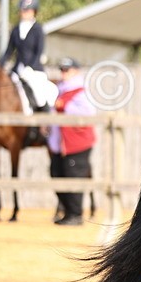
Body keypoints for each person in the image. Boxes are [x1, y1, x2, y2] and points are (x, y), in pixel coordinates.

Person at [47, 58, 96, 226]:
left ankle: (75, 214)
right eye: (62, 69)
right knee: (56, 174)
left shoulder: (81, 91)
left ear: (75, 71)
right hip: (60, 143)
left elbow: (88, 113)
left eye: (67, 70)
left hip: (76, 143)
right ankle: (68, 212)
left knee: (74, 176)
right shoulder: (60, 91)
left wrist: (64, 107)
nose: (63, 73)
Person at [1, 0, 56, 110]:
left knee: (39, 96)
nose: (24, 13)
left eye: (27, 10)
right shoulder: (15, 30)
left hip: (33, 70)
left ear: (34, 12)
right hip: (17, 69)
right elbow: (9, 51)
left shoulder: (38, 29)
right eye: (22, 10)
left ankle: (42, 121)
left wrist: (29, 68)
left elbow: (39, 51)